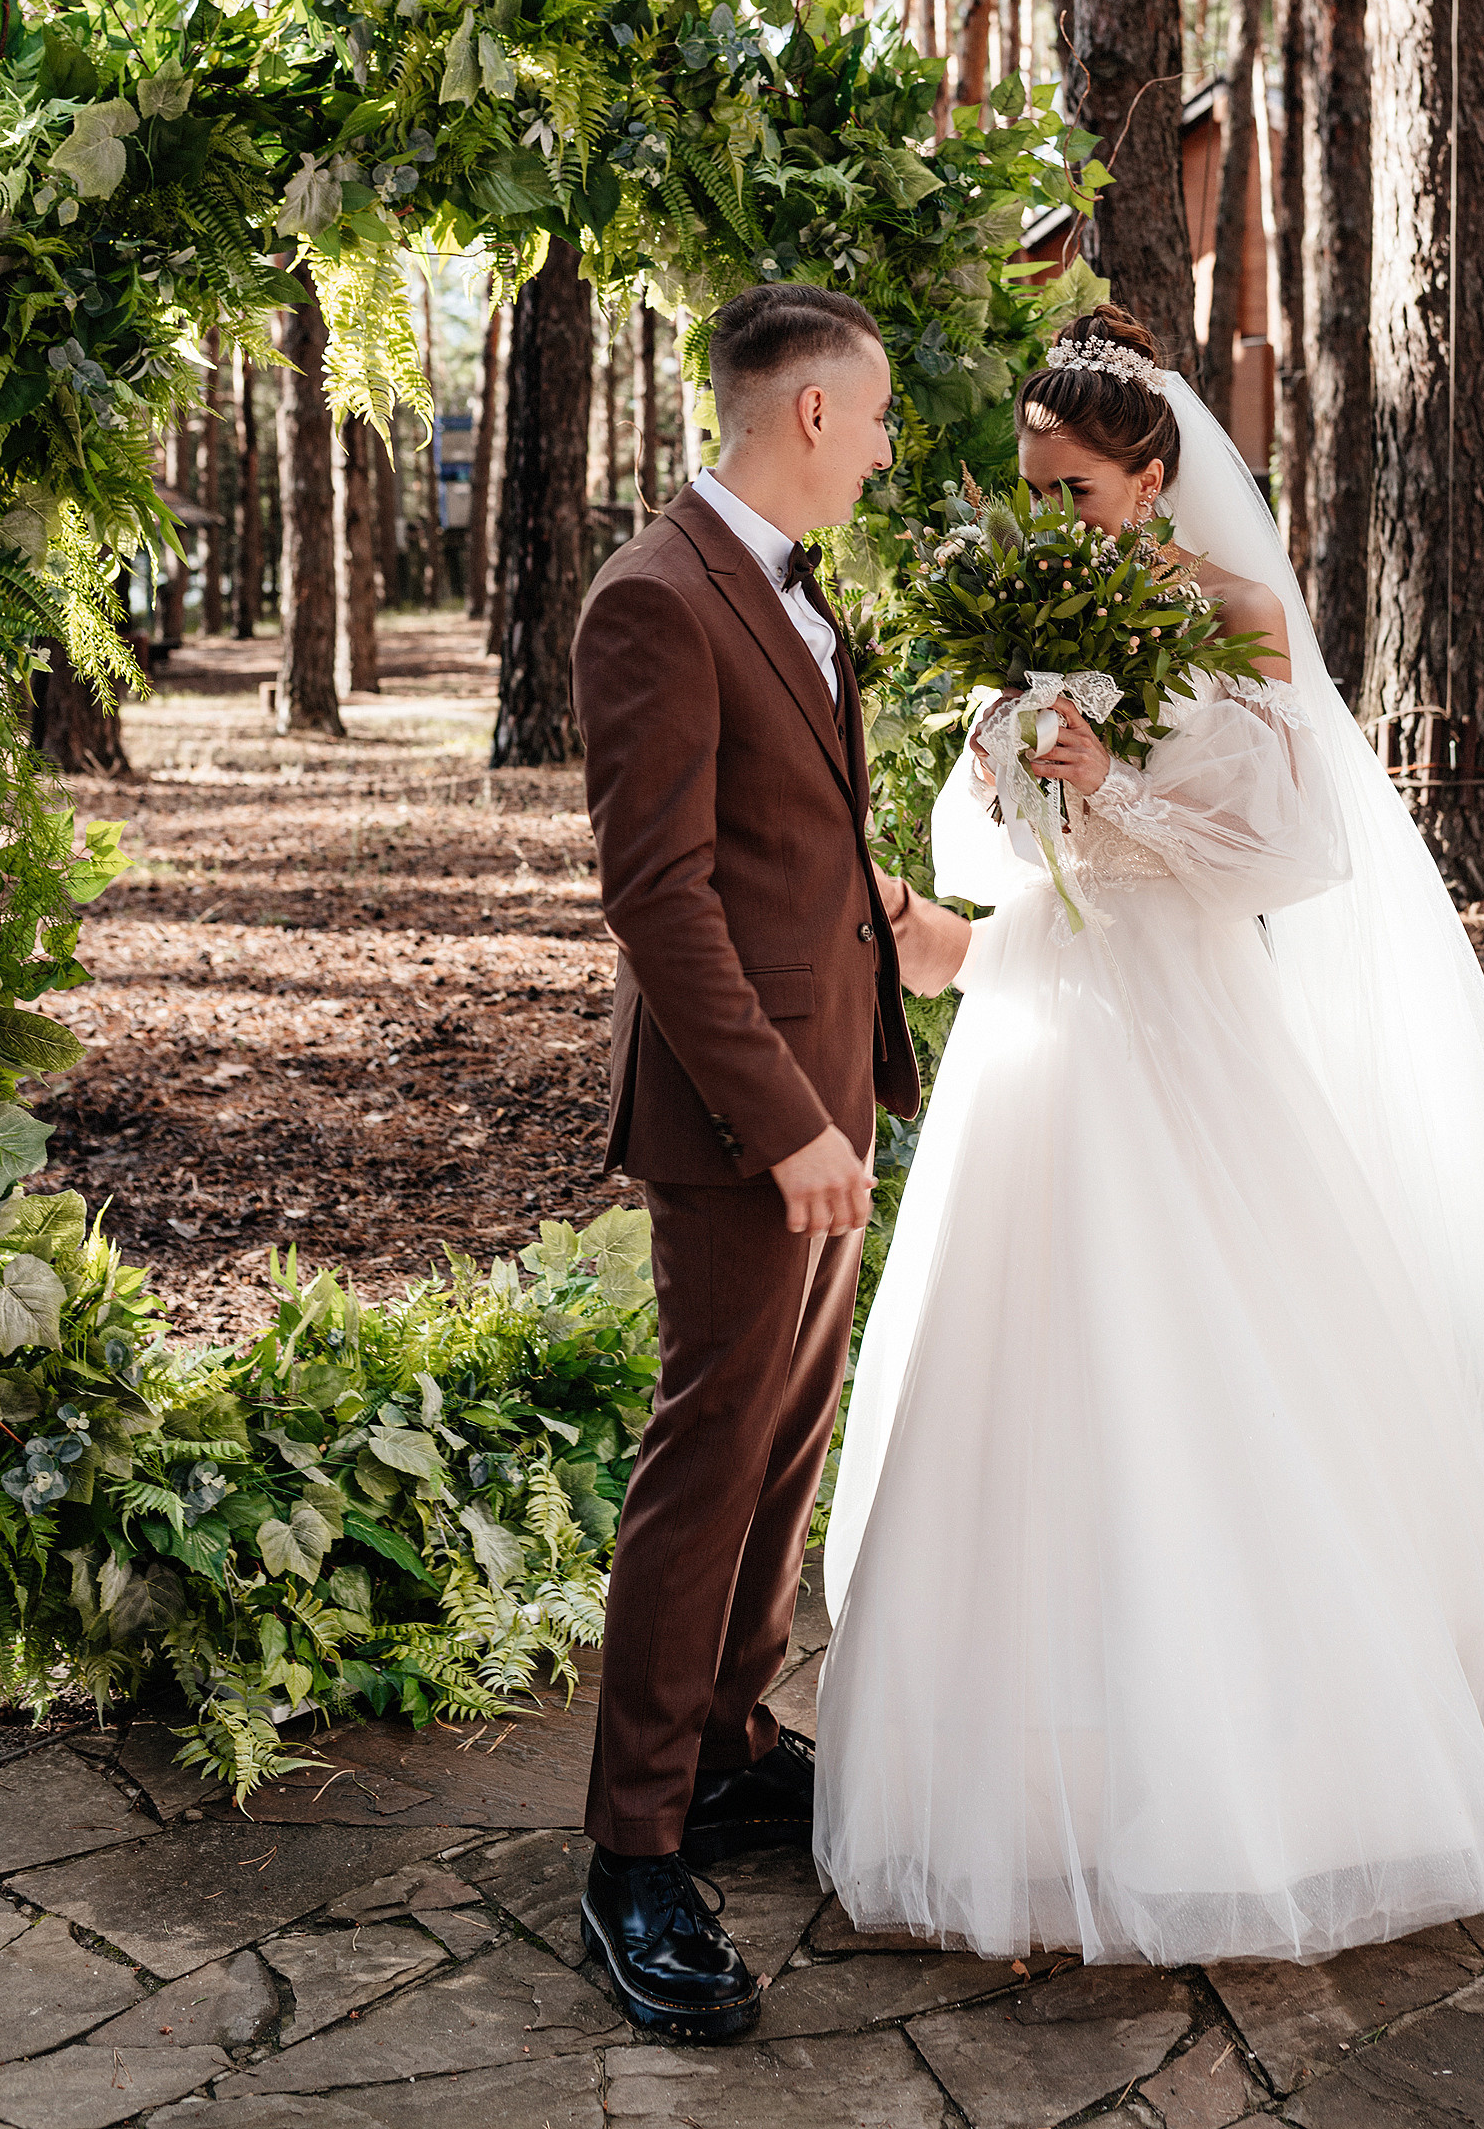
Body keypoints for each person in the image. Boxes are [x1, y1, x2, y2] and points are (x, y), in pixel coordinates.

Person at [813, 305, 1484, 1968]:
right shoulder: (1024, 622)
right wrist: (1005, 763)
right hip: (1042, 1031)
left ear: (1156, 474)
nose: (1051, 528)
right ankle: (1032, 1723)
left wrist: (1106, 779)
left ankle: (1245, 1725)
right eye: (1030, 495)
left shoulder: (1241, 614)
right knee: (1025, 1373)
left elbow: (1287, 848)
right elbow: (993, 851)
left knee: (1208, 1359)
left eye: (1079, 497)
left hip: (1184, 1032)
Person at [569, 282, 963, 2040]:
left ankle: (727, 1744)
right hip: (748, 1123)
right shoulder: (652, 600)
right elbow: (657, 900)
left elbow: (774, 848)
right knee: (710, 1447)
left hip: (829, 1084)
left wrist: (894, 929)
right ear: (812, 415)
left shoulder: (792, 595)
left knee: (785, 1445)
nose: (885, 451)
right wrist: (790, 1124)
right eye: (876, 420)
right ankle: (631, 1850)